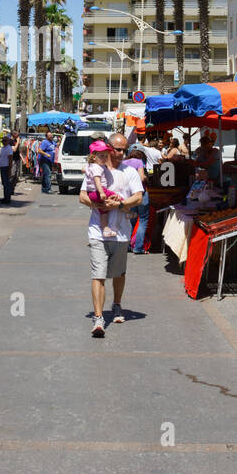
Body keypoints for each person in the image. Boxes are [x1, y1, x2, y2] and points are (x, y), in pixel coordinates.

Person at [80, 132, 144, 337]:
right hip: (97, 230)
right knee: (98, 275)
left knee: (118, 273)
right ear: (108, 148)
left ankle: (117, 304)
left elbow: (139, 197)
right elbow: (82, 196)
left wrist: (120, 204)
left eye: (124, 150)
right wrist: (96, 203)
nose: (121, 153)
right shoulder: (95, 170)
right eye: (117, 149)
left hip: (121, 232)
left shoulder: (129, 172)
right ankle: (98, 318)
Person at [124, 147, 150, 253]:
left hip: (130, 195)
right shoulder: (139, 162)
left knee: (131, 220)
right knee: (143, 220)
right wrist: (147, 178)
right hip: (141, 193)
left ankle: (128, 246)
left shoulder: (124, 162)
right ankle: (138, 247)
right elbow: (142, 177)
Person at [0, 133, 16, 203]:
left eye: (5, 140)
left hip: (6, 167)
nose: (3, 142)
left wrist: (9, 170)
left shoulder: (9, 148)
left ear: (8, 141)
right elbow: (0, 157)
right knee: (4, 183)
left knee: (6, 184)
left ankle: (7, 199)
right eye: (2, 140)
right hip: (2, 167)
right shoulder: (3, 148)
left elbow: (10, 160)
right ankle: (5, 197)